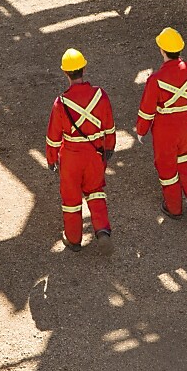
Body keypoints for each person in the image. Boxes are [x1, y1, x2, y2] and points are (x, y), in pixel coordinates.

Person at [45, 48, 116, 252]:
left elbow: (53, 136)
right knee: (95, 191)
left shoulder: (61, 103)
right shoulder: (100, 95)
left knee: (71, 198)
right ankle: (102, 230)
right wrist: (109, 146)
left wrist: (51, 159)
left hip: (71, 157)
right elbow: (109, 126)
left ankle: (74, 239)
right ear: (84, 69)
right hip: (95, 154)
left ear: (65, 73)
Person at [135, 27, 187, 219]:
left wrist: (141, 130)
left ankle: (174, 207)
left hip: (166, 129)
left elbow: (147, 109)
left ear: (162, 50)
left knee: (166, 167)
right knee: (183, 157)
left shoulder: (156, 79)